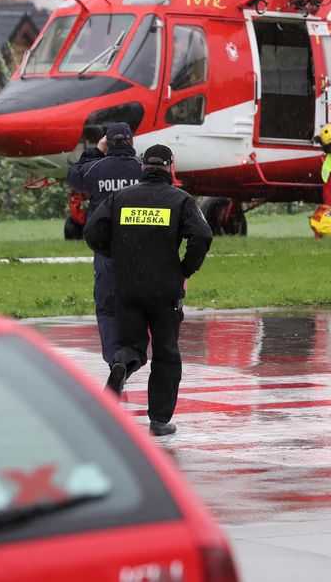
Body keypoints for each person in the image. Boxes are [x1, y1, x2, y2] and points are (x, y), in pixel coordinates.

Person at [83, 144, 213, 437]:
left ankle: (121, 366)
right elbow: (202, 235)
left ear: (143, 167)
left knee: (132, 346)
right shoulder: (181, 200)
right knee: (166, 352)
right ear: (170, 167)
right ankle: (159, 419)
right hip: (165, 288)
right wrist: (185, 270)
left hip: (127, 286)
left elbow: (92, 232)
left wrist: (116, 254)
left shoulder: (121, 198)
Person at [67, 121, 141, 366]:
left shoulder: (96, 169)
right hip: (141, 251)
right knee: (138, 305)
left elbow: (73, 174)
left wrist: (95, 152)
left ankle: (114, 359)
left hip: (106, 250)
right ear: (131, 141)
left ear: (107, 144)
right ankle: (133, 353)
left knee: (107, 307)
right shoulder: (142, 169)